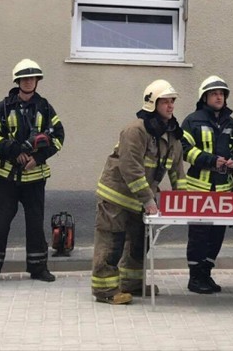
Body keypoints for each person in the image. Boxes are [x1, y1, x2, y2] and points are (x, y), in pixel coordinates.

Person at [91, 79, 185, 304]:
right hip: (116, 197)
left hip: (140, 200)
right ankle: (105, 291)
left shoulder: (172, 135)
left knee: (138, 244)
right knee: (112, 243)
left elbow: (177, 171)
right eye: (165, 101)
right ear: (153, 103)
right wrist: (149, 200)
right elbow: (130, 168)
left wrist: (183, 202)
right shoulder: (135, 130)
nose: (171, 106)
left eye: (172, 101)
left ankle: (132, 284)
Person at [0, 59, 64, 285]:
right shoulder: (3, 107)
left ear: (37, 81)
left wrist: (38, 158)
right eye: (24, 78)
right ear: (17, 81)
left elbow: (58, 137)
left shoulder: (45, 107)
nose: (28, 82)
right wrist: (14, 151)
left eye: (32, 78)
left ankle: (38, 268)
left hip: (35, 178)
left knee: (35, 225)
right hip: (6, 177)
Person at [181, 76, 233, 294]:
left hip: (224, 190)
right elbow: (184, 148)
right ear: (204, 97)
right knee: (198, 235)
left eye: (222, 94)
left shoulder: (231, 123)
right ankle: (195, 278)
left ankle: (206, 274)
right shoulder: (192, 121)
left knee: (217, 235)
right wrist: (210, 160)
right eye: (214, 94)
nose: (219, 97)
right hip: (199, 189)